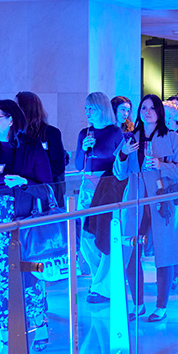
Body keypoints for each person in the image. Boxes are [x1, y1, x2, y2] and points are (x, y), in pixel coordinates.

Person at [0, 99, 53, 354]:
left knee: (29, 278)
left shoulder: (32, 148)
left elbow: (49, 190)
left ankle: (38, 323)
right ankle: (5, 344)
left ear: (11, 120)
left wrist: (24, 183)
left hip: (23, 225)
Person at [114, 94, 178, 322]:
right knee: (130, 252)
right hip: (135, 202)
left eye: (152, 108)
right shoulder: (130, 138)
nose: (147, 112)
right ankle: (137, 304)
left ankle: (161, 306)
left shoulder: (172, 137)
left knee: (165, 253)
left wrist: (161, 165)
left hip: (161, 200)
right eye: (143, 108)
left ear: (159, 112)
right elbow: (119, 174)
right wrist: (124, 154)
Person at [75, 92, 124, 304]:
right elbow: (78, 165)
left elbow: (121, 162)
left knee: (104, 233)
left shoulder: (115, 132)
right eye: (86, 108)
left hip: (107, 185)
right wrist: (84, 149)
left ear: (102, 109)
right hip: (87, 185)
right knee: (85, 235)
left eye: (91, 108)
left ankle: (102, 287)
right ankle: (99, 280)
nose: (88, 113)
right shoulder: (84, 133)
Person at [16, 90, 67, 206]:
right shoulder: (17, 135)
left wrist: (33, 178)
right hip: (24, 193)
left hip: (46, 192)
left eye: (17, 107)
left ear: (26, 109)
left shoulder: (51, 133)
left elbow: (58, 166)